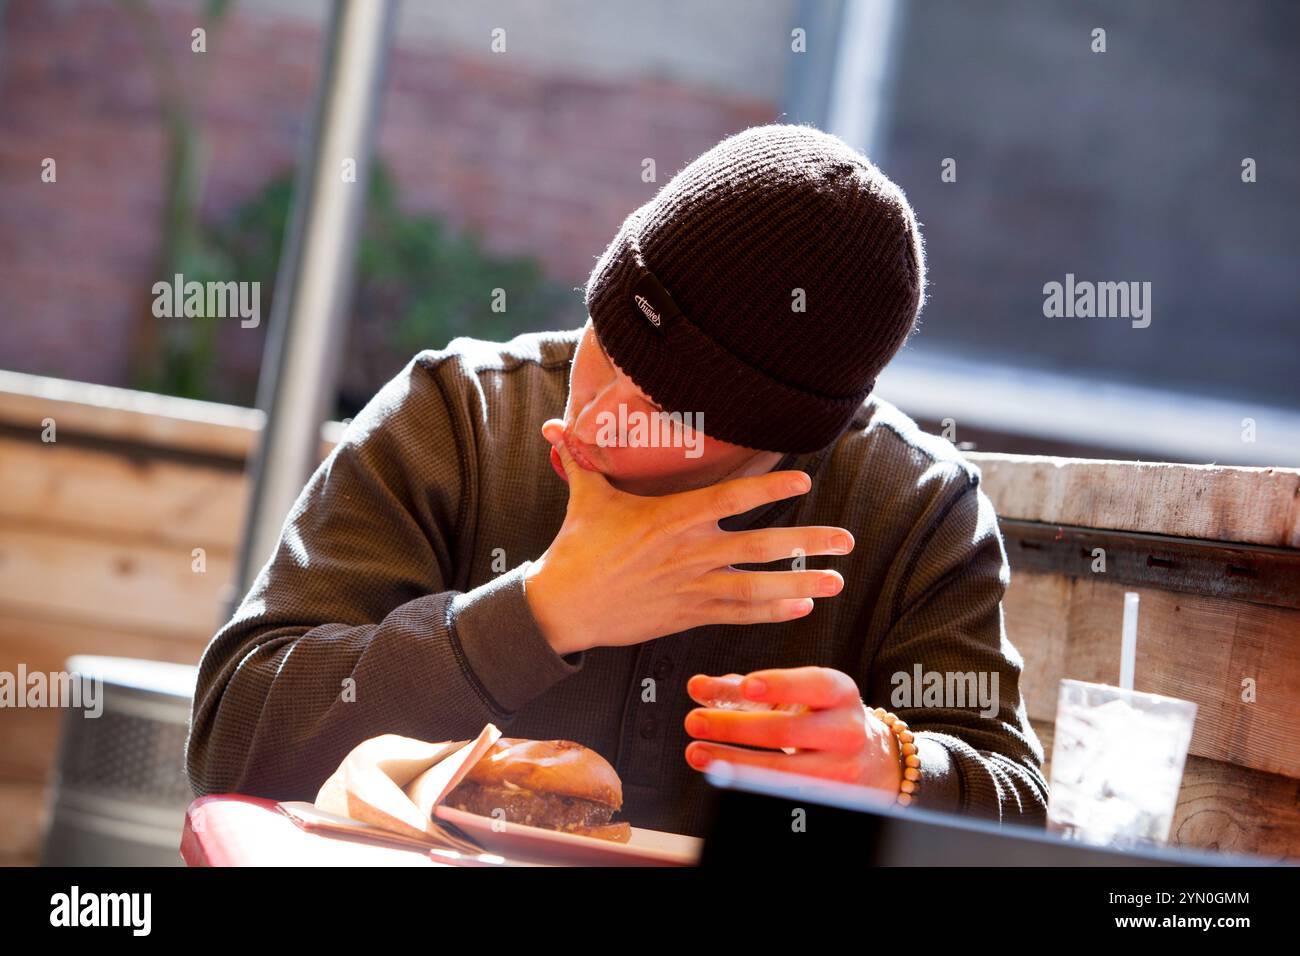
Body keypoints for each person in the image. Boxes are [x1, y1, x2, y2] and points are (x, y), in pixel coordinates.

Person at [185, 124, 1048, 838]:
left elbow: (1017, 809)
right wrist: (540, 612)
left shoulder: (914, 509)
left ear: (784, 441)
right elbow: (231, 736)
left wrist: (889, 767)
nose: (594, 418)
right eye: (607, 343)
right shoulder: (454, 417)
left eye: (669, 408)